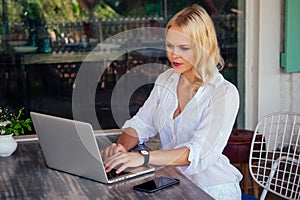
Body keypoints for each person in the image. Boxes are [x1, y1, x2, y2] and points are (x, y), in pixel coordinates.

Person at [101, 4, 242, 200]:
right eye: (169, 46)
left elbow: (198, 153)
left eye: (184, 48)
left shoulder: (224, 93)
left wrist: (144, 157)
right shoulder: (166, 80)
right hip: (172, 181)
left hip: (211, 189)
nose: (173, 55)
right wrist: (121, 149)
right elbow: (141, 124)